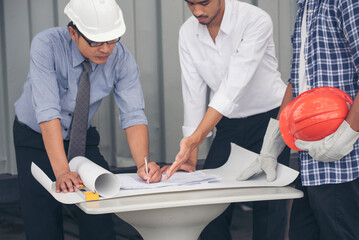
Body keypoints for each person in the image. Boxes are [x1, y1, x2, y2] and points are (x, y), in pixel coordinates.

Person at [13, 0, 162, 239]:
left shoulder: (121, 58)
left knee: (99, 207)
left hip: (80, 136)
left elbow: (133, 115)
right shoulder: (46, 45)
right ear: (74, 33)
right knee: (42, 221)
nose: (105, 49)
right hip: (36, 136)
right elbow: (48, 111)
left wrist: (143, 165)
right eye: (96, 41)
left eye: (112, 40)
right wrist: (62, 172)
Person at [162, 0, 291, 239]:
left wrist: (195, 138)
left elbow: (234, 85)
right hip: (229, 123)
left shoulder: (256, 19)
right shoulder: (187, 32)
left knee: (269, 209)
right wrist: (191, 147)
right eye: (191, 3)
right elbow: (193, 91)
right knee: (211, 207)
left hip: (272, 120)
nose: (198, 11)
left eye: (204, 2)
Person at [240, 0, 359, 239]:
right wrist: (273, 143)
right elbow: (297, 80)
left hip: (344, 166)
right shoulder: (305, 6)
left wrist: (345, 137)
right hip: (311, 162)